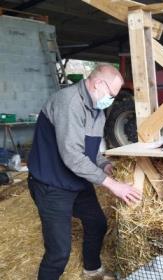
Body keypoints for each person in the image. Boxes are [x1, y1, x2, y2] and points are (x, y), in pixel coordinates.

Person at [27, 64, 141, 280]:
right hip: (52, 184)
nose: (112, 99)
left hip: (76, 181)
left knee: (97, 224)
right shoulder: (69, 103)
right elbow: (73, 156)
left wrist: (104, 165)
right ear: (98, 84)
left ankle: (92, 270)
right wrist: (112, 184)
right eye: (112, 94)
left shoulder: (97, 110)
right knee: (59, 252)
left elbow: (90, 150)